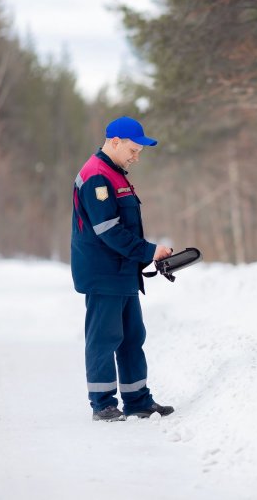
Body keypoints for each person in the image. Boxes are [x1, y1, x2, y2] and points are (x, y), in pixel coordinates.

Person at [71, 115, 174, 422]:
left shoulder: (115, 173)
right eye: (133, 149)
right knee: (105, 338)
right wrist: (148, 250)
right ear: (115, 142)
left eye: (140, 152)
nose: (136, 157)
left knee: (131, 337)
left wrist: (144, 257)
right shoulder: (97, 177)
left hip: (122, 271)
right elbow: (108, 230)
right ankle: (102, 404)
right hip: (103, 274)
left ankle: (138, 400)